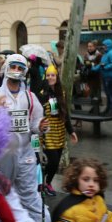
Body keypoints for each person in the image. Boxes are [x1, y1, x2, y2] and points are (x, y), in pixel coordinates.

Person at [0, 54, 52, 222]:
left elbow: (36, 125)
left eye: (20, 68)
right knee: (0, 195)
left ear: (25, 71)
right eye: (13, 67)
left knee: (31, 196)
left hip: (25, 154)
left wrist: (41, 126)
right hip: (2, 155)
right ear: (6, 68)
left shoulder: (30, 98)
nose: (16, 71)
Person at [37, 63, 78, 196]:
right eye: (48, 75)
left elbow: (65, 114)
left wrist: (71, 131)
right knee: (53, 161)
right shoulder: (43, 93)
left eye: (52, 75)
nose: (50, 77)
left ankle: (47, 183)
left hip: (60, 131)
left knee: (56, 163)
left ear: (57, 77)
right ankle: (42, 182)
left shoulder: (62, 93)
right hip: (48, 132)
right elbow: (38, 114)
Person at [91, 39, 112, 116]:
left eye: (105, 45)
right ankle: (108, 109)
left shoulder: (111, 53)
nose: (103, 47)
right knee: (108, 94)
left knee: (111, 94)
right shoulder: (105, 54)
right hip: (105, 76)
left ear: (109, 45)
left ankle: (111, 110)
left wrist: (105, 67)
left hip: (110, 77)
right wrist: (93, 68)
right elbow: (101, 64)